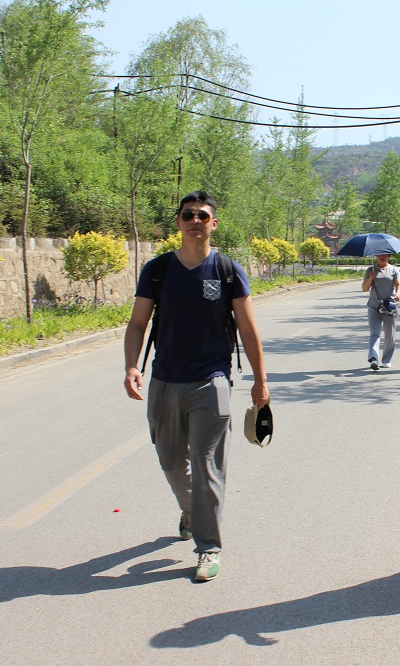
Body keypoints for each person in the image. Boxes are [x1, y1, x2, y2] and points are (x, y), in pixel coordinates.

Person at [123, 190, 270, 583]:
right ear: (178, 222)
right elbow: (137, 324)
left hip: (212, 380)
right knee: (171, 461)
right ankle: (192, 509)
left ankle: (208, 547)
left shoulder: (227, 270)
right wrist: (131, 366)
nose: (195, 221)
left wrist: (260, 380)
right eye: (188, 215)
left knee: (207, 466)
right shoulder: (157, 270)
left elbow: (248, 329)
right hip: (165, 379)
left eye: (202, 216)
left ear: (213, 223)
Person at [361, 253, 400, 370]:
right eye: (379, 255)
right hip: (374, 306)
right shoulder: (370, 270)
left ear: (388, 256)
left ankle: (386, 360)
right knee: (374, 332)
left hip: (389, 306)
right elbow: (364, 288)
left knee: (390, 334)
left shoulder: (394, 270)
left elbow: (399, 284)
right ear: (376, 256)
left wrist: (398, 294)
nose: (382, 257)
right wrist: (370, 278)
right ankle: (373, 358)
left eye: (385, 254)